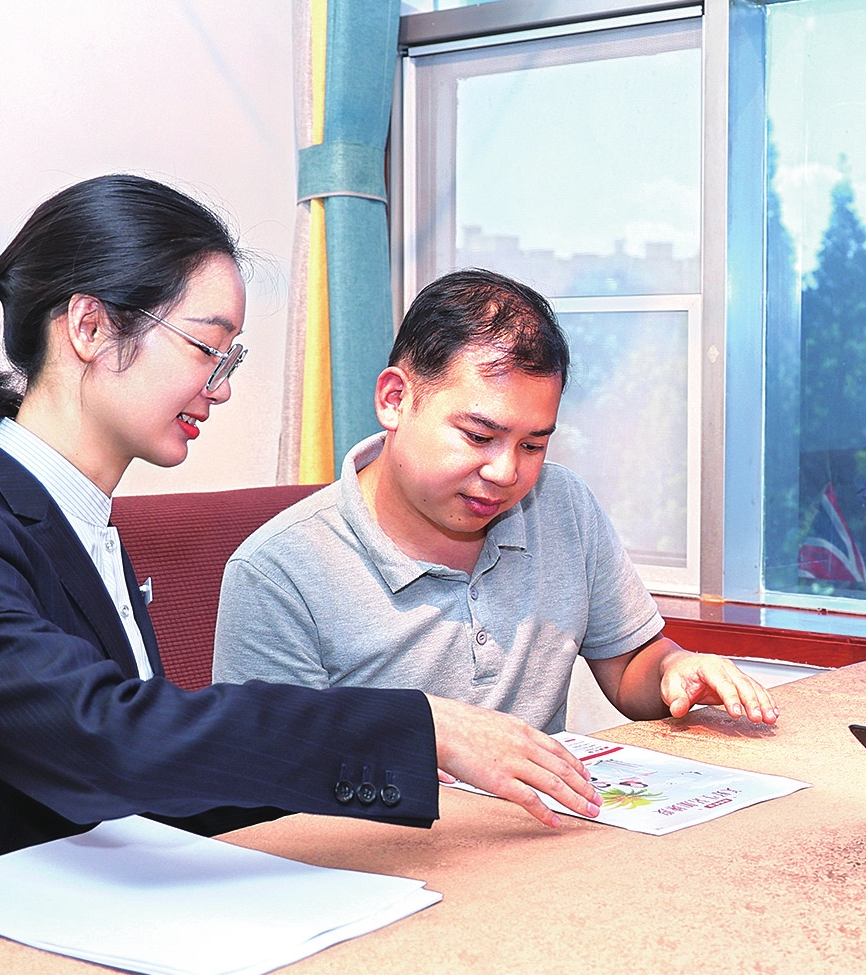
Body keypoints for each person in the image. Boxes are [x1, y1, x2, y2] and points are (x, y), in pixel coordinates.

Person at [0, 176, 600, 933]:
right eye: (206, 347)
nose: (221, 386)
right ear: (90, 327)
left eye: (228, 358)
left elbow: (163, 774)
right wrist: (417, 728)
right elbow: (106, 740)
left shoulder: (81, 529)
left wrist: (407, 790)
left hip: (73, 917)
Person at [212, 268, 775, 732]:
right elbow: (269, 778)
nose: (506, 473)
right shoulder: (279, 572)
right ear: (395, 399)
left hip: (542, 827)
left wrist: (674, 668)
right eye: (480, 436)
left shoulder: (562, 506)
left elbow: (628, 666)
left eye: (533, 445)